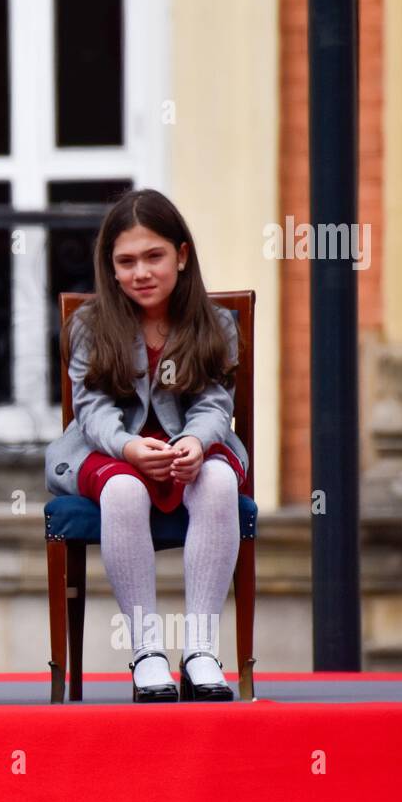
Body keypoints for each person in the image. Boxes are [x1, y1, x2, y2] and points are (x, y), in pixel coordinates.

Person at [45, 188, 248, 703]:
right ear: (110, 269)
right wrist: (128, 447)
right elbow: (90, 410)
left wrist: (196, 444)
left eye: (154, 256)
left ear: (181, 255)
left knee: (221, 478)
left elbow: (214, 404)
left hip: (191, 448)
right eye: (126, 261)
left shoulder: (215, 324)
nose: (141, 272)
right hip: (109, 450)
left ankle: (201, 649)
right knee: (124, 493)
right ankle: (148, 652)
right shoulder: (90, 325)